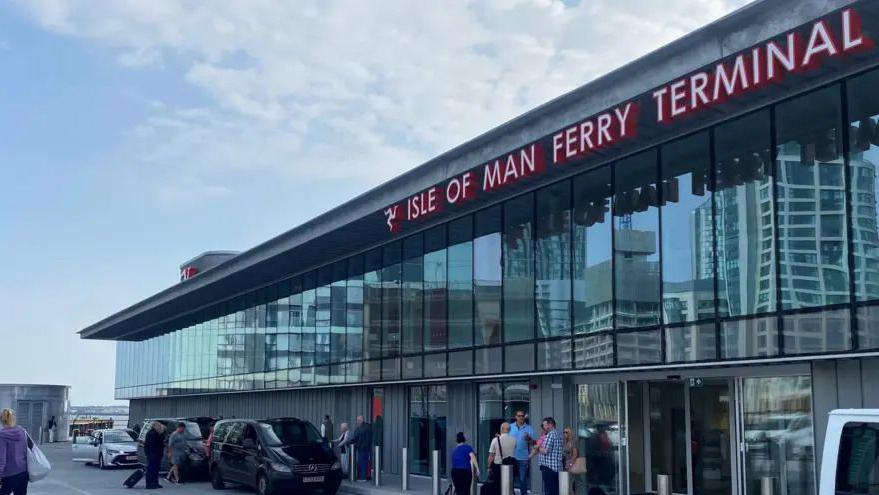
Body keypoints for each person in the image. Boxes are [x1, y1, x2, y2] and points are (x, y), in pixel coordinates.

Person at [0, 409, 29, 495]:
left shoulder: (2, 436)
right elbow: (26, 452)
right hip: (23, 474)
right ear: (14, 419)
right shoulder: (23, 432)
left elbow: (2, 460)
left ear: (2, 420)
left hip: (8, 475)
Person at [509, 410, 536, 495]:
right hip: (511, 457)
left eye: (522, 416)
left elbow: (535, 443)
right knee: (510, 479)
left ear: (524, 417)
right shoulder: (510, 427)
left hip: (523, 458)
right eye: (519, 416)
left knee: (522, 480)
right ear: (515, 417)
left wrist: (529, 439)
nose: (521, 417)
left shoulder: (529, 428)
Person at [538, 418, 563, 495]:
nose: (543, 427)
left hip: (549, 468)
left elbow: (545, 451)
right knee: (555, 490)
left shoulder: (550, 434)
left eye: (544, 425)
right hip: (557, 467)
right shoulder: (558, 434)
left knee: (549, 491)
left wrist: (538, 447)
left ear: (550, 424)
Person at [350, 415, 373, 482]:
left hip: (361, 448)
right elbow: (370, 437)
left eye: (358, 420)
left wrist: (350, 442)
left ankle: (362, 477)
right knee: (366, 462)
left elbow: (355, 438)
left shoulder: (359, 429)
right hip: (367, 448)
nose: (357, 421)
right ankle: (366, 476)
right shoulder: (368, 427)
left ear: (361, 420)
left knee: (361, 462)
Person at [144, 422, 165, 490]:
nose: (161, 428)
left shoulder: (157, 434)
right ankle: (149, 484)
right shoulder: (151, 434)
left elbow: (161, 441)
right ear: (155, 427)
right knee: (151, 469)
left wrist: (161, 433)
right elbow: (154, 445)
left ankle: (155, 483)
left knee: (156, 469)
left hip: (157, 454)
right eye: (159, 427)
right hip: (152, 454)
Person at [563, 427, 580, 495]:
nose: (565, 434)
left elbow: (575, 455)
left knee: (571, 484)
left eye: (566, 432)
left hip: (572, 465)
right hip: (566, 464)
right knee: (567, 485)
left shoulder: (573, 442)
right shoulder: (566, 442)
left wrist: (570, 465)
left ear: (570, 433)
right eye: (564, 432)